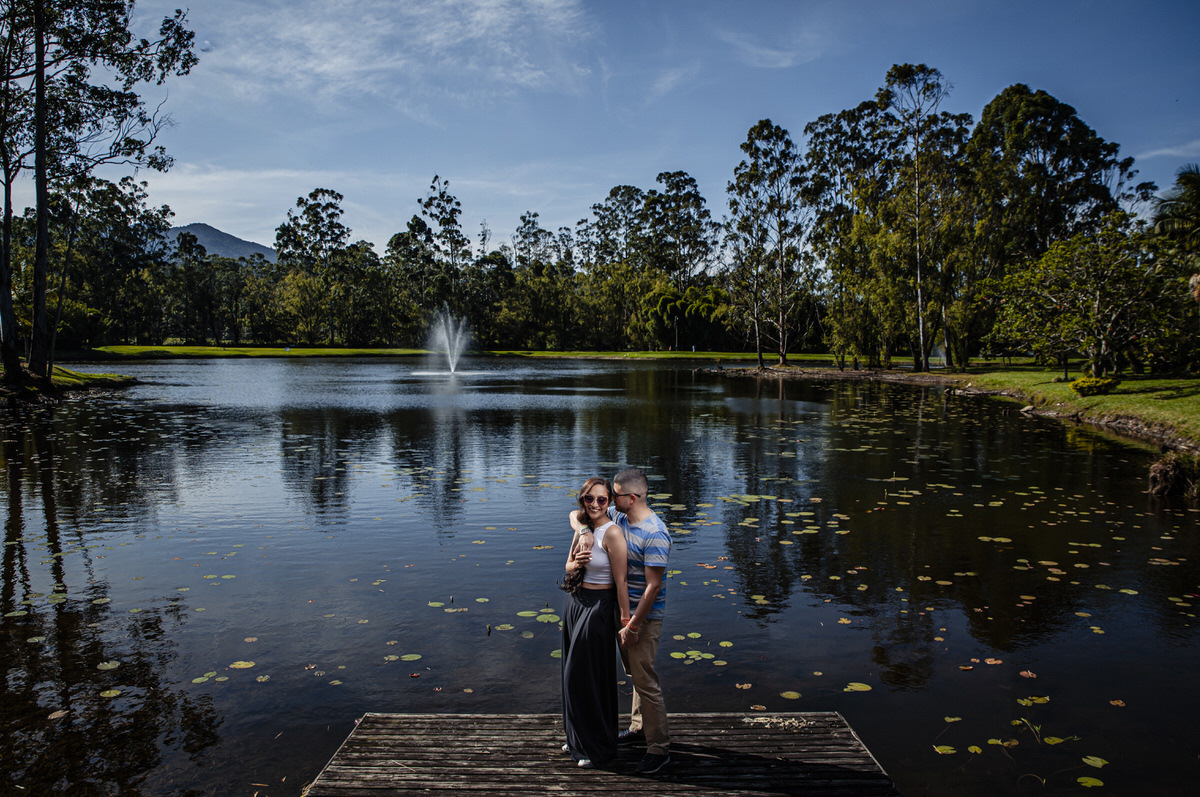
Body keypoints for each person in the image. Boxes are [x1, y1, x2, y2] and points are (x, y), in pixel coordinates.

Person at [571, 467, 672, 774]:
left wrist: (633, 626)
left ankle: (659, 748)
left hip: (644, 617)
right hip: (620, 612)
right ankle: (639, 728)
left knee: (646, 679)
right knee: (635, 675)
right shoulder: (620, 517)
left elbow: (653, 588)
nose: (608, 500)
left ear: (631, 497)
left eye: (613, 494)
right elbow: (577, 516)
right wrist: (585, 532)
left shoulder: (655, 533)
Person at [560, 477, 630, 769]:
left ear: (610, 503)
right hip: (575, 603)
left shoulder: (612, 533)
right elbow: (567, 566)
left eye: (602, 500)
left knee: (585, 676)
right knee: (570, 674)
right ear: (583, 501)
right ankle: (576, 738)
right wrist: (577, 562)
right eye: (590, 499)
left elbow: (621, 580)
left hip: (599, 608)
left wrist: (625, 620)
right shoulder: (585, 528)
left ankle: (597, 745)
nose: (595, 504)